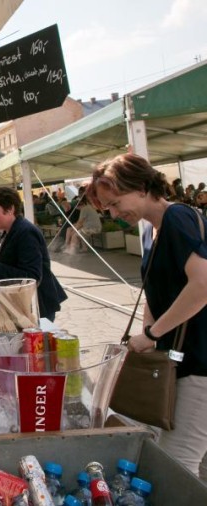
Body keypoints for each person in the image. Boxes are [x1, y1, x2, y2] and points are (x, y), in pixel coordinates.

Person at [86, 153, 207, 479]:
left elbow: (203, 285)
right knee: (168, 456)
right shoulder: (154, 229)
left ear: (140, 186)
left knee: (177, 465)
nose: (113, 213)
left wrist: (152, 335)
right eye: (107, 207)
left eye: (115, 202)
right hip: (180, 361)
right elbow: (157, 293)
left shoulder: (177, 218)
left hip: (200, 362)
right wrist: (146, 337)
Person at [0, 187, 67, 322]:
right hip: (23, 305)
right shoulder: (11, 231)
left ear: (10, 209)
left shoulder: (26, 232)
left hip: (36, 306)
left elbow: (32, 277)